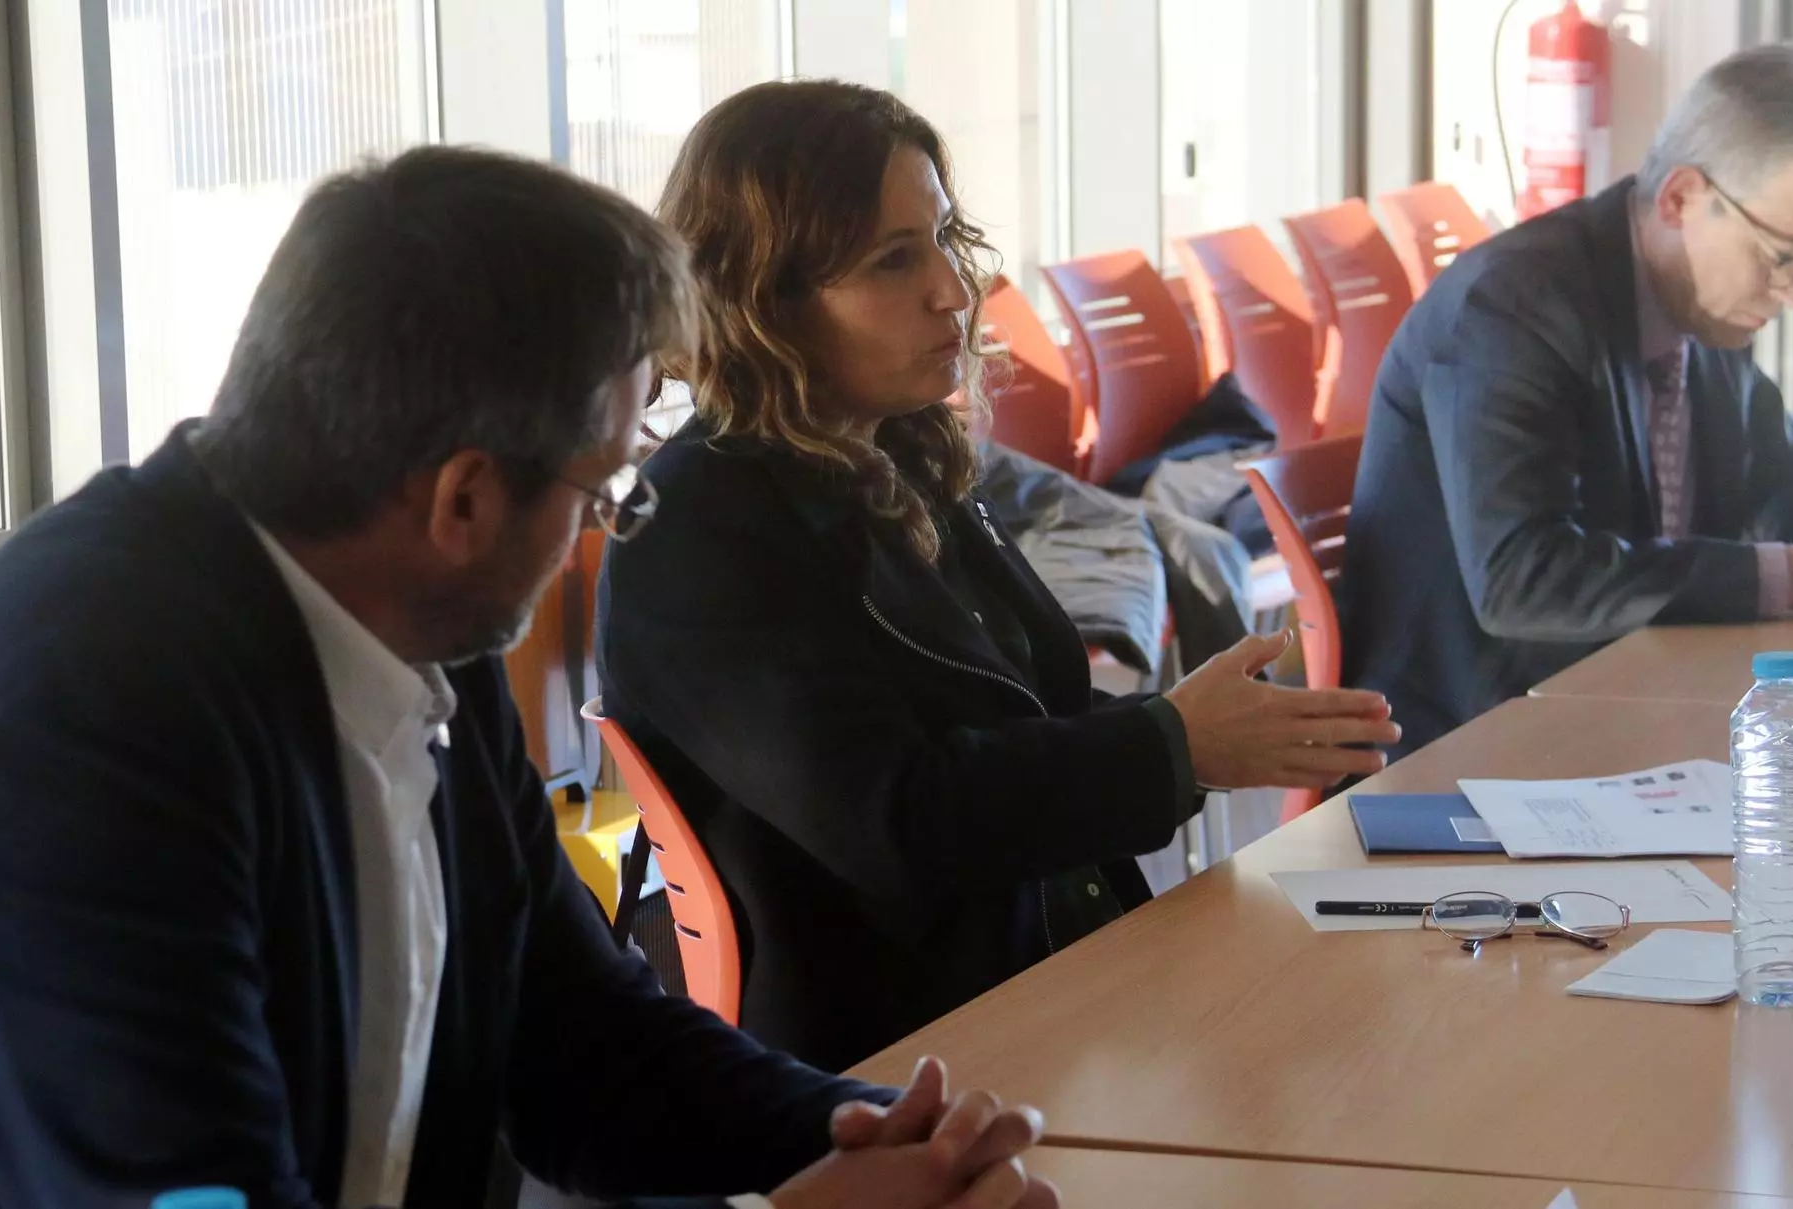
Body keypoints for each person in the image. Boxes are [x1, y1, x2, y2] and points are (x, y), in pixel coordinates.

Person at [0, 146, 1060, 1209]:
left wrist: (877, 1138)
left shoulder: (410, 617)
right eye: (604, 489)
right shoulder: (86, 721)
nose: (605, 525)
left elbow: (582, 1043)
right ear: (463, 500)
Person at [596, 80, 1400, 1074]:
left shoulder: (899, 458)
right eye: (895, 260)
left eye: (943, 238)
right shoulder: (695, 530)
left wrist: (1196, 739)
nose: (953, 289)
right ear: (766, 302)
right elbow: (899, 820)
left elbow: (1022, 725)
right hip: (899, 1065)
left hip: (1055, 986)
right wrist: (1173, 744)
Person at [1340, 41, 1793, 755]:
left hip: (1636, 705)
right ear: (1682, 199)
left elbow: (1784, 464)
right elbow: (1523, 579)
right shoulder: (1515, 308)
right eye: (1784, 258)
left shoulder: (1701, 308)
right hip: (1473, 744)